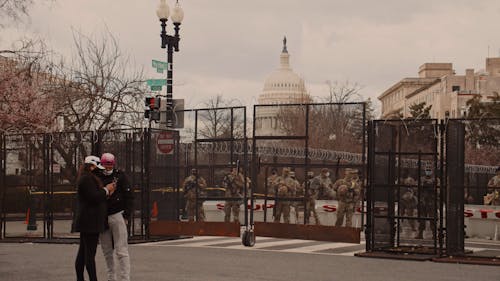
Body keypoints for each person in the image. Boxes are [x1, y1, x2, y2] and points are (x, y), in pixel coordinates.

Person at [74, 155, 116, 281]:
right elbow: (94, 197)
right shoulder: (87, 179)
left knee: (83, 253)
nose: (98, 170)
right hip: (90, 221)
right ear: (91, 166)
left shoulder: (85, 178)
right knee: (89, 255)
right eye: (96, 167)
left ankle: (80, 278)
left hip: (88, 221)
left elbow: (93, 197)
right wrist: (106, 190)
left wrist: (105, 192)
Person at [97, 153, 133, 281]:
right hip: (103, 216)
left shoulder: (120, 176)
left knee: (121, 250)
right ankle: (111, 277)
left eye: (110, 164)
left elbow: (129, 195)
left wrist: (126, 215)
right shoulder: (97, 176)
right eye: (105, 164)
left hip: (117, 214)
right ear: (101, 164)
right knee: (107, 251)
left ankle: (124, 278)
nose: (107, 167)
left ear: (113, 164)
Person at [415, 165, 439, 239]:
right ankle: (420, 233)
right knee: (422, 218)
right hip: (423, 201)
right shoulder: (421, 179)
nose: (428, 171)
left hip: (431, 201)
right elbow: (417, 188)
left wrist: (429, 185)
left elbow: (437, 190)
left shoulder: (435, 179)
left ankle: (434, 234)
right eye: (427, 169)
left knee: (433, 218)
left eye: (429, 170)